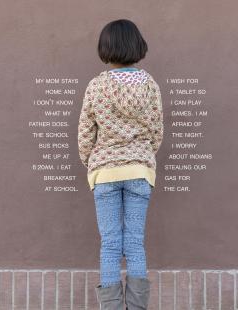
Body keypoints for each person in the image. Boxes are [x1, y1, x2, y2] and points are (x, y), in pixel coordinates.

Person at [78, 18, 164, 309]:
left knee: (110, 245)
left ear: (106, 48)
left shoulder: (96, 86)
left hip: (104, 173)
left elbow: (85, 133)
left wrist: (92, 164)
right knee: (135, 243)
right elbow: (156, 130)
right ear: (137, 46)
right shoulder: (150, 85)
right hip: (139, 171)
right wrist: (144, 158)